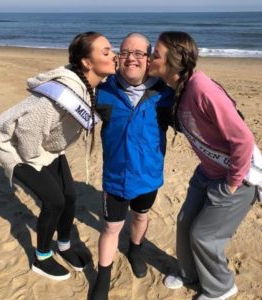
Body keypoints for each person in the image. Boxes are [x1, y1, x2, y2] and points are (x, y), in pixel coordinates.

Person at [0, 32, 116, 281]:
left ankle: (65, 245)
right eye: (106, 52)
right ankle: (42, 257)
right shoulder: (66, 92)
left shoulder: (89, 84)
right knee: (54, 201)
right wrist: (36, 161)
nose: (114, 55)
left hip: (46, 145)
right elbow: (27, 130)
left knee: (69, 196)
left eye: (111, 50)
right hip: (14, 143)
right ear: (86, 63)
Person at [148, 31, 256, 300]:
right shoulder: (176, 88)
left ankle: (221, 287)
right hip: (206, 173)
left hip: (237, 178)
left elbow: (243, 139)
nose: (150, 57)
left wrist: (231, 184)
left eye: (155, 54)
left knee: (204, 235)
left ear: (173, 61)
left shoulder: (201, 88)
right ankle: (189, 274)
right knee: (185, 223)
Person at [90, 33, 174, 300]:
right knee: (110, 228)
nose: (132, 58)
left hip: (149, 176)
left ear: (149, 59)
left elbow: (196, 116)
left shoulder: (165, 94)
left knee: (140, 216)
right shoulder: (103, 90)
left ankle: (135, 250)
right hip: (115, 177)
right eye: (126, 52)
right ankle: (103, 276)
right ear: (118, 56)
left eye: (139, 53)